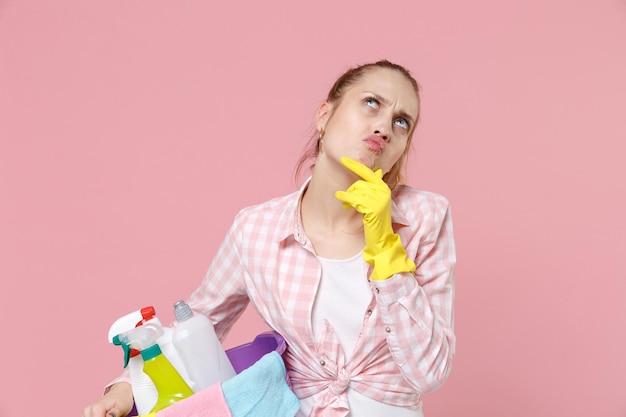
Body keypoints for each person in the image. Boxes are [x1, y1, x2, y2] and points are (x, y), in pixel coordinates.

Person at [83, 59, 456, 417]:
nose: (385, 127)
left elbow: (431, 371)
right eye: (371, 103)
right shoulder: (256, 229)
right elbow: (197, 324)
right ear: (324, 116)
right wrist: (126, 385)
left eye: (402, 122)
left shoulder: (425, 217)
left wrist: (385, 247)